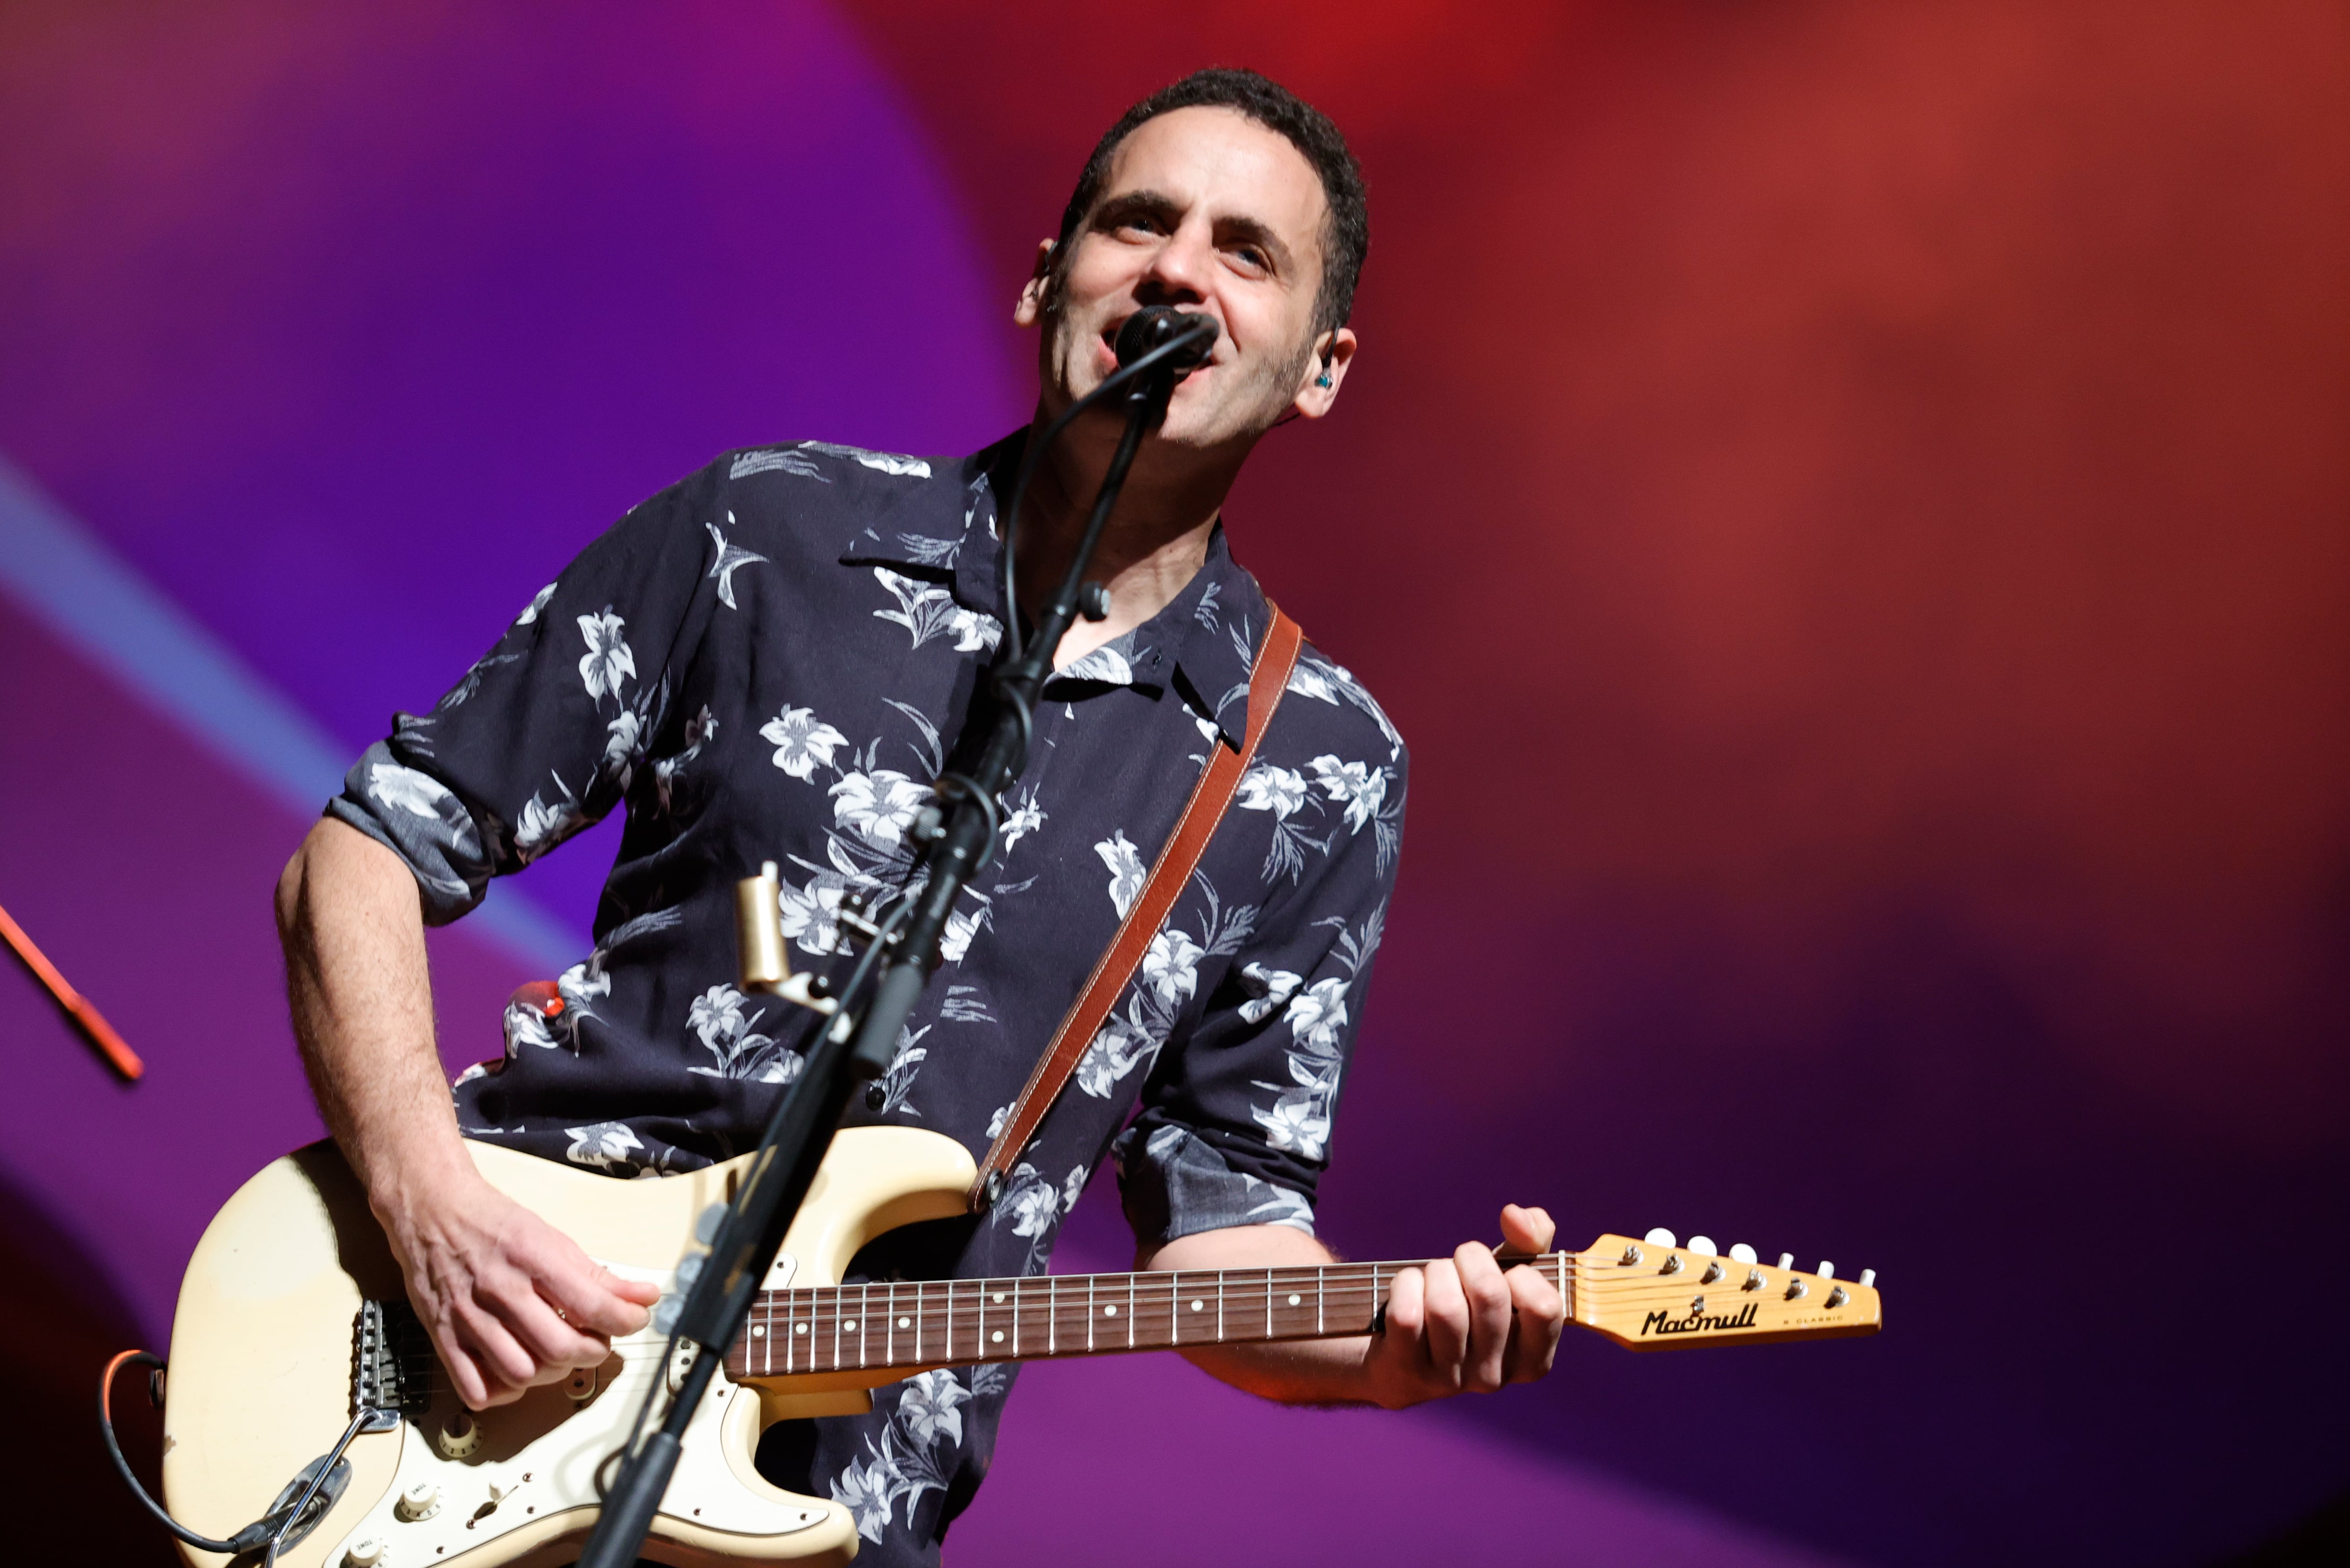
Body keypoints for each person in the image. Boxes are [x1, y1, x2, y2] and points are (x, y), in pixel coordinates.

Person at [275, 67, 1564, 1561]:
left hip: (820, 1519)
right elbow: (368, 849)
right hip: (462, 1390)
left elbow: (1225, 1219)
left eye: (1244, 250)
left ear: (1321, 368)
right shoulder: (768, 530)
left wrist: (1394, 1355)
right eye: (1139, 223)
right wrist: (428, 1205)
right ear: (1046, 282)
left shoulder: (1320, 762)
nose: (1176, 273)